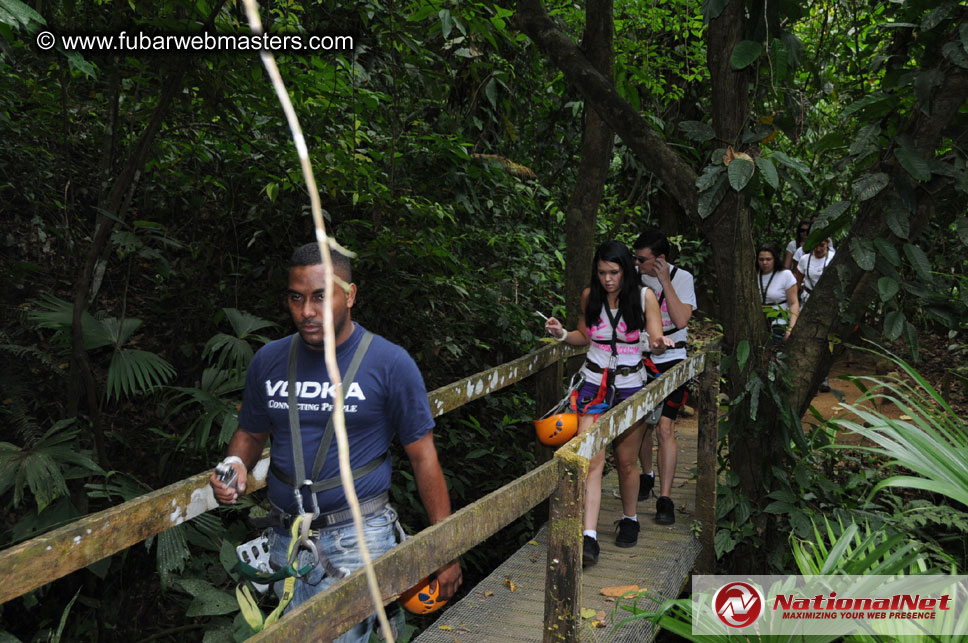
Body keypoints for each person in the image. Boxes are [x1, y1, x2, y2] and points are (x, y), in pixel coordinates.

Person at [210, 243, 461, 642]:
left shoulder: (390, 364)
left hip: (356, 537)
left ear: (350, 294)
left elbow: (424, 457)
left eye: (320, 297)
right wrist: (236, 463)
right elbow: (251, 432)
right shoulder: (269, 360)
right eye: (297, 297)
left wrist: (443, 549)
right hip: (284, 539)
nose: (306, 311)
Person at [543, 240, 666, 566]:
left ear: (626, 270)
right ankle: (589, 536)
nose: (608, 279)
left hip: (629, 388)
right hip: (593, 387)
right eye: (602, 273)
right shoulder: (590, 297)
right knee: (590, 461)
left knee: (626, 462)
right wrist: (561, 334)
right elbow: (584, 337)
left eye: (614, 272)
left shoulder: (644, 297)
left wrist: (658, 344)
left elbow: (654, 340)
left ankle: (630, 518)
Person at [631, 230, 696, 525]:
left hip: (673, 360)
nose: (637, 263)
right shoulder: (634, 279)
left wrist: (665, 282)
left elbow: (681, 320)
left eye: (642, 259)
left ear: (660, 260)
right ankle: (647, 474)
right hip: (643, 358)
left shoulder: (683, 278)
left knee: (665, 427)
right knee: (643, 423)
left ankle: (665, 498)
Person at [795, 238, 835, 392]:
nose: (818, 248)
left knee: (825, 339)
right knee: (806, 337)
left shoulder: (833, 258)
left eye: (822, 244)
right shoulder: (805, 260)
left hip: (826, 303)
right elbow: (796, 283)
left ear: (827, 244)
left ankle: (823, 378)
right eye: (816, 244)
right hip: (808, 299)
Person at [756, 244, 800, 344]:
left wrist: (791, 328)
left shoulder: (785, 275)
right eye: (761, 259)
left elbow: (794, 303)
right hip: (758, 318)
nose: (765, 263)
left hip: (779, 319)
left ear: (775, 259)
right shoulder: (753, 274)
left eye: (768, 259)